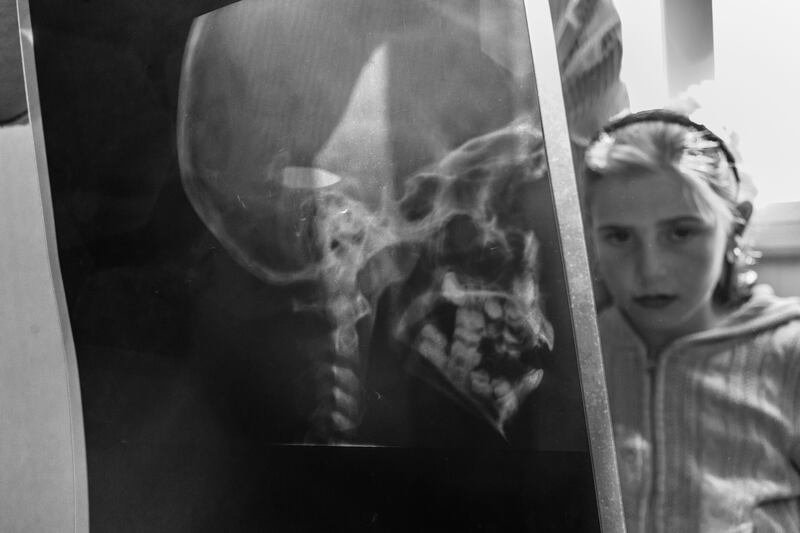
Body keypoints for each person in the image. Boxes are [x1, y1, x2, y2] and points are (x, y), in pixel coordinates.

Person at [582, 109, 800, 532]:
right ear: (589, 235)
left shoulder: (788, 352)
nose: (650, 270)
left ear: (735, 226)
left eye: (681, 232)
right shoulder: (575, 352)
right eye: (619, 236)